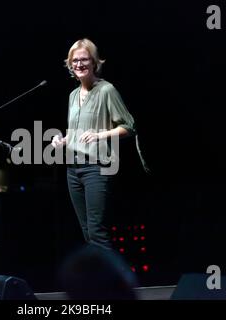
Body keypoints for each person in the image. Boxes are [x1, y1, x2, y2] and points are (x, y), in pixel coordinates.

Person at [52, 38, 138, 250]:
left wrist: (101, 135)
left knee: (97, 231)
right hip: (73, 169)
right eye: (75, 61)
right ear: (70, 65)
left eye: (84, 59)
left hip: (97, 168)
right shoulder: (73, 95)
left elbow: (129, 126)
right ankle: (97, 281)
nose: (79, 65)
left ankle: (111, 282)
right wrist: (62, 140)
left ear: (94, 63)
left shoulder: (106, 90)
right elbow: (76, 132)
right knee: (87, 232)